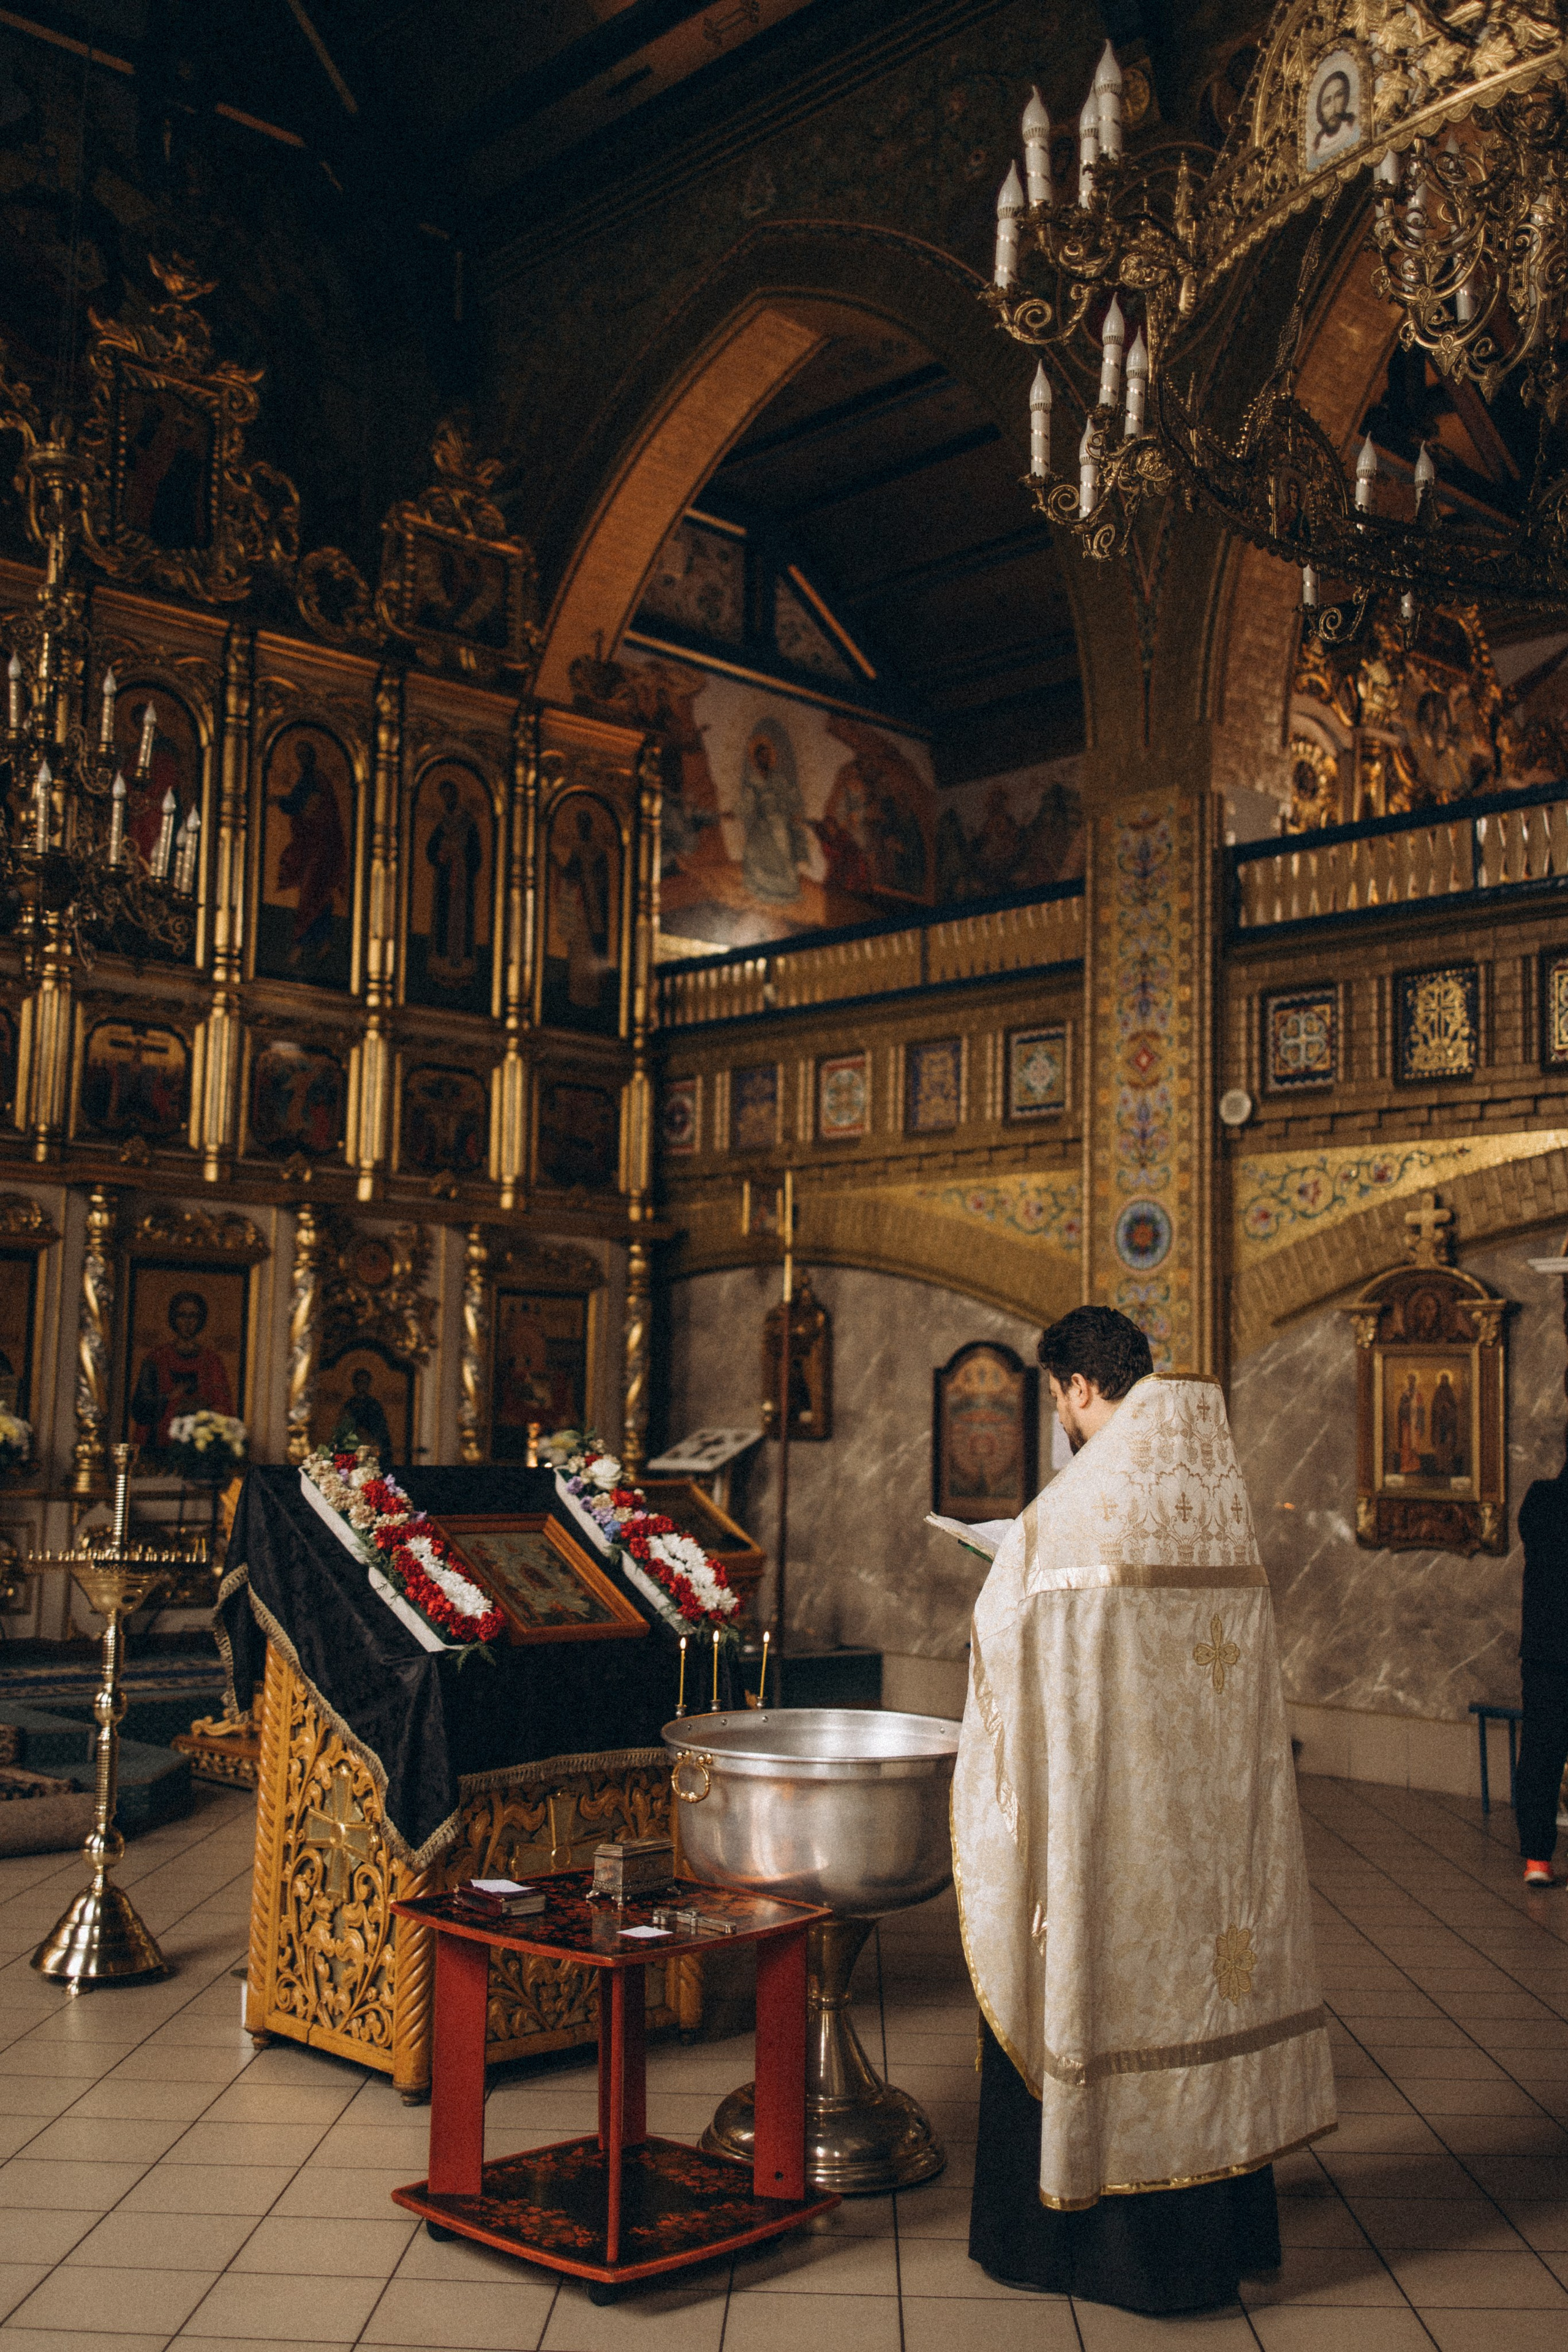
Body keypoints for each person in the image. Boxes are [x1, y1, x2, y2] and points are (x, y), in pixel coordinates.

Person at [955, 1304, 1335, 2314]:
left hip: (1108, 1834)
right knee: (1201, 1992)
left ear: (1078, 1389)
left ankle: (1089, 2252)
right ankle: (1217, 2240)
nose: (1065, 1421)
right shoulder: (1210, 1495)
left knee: (1097, 1987)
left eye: (1059, 1402)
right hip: (1209, 1834)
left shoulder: (1070, 1515)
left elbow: (1002, 1650)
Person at [1516, 1444, 1568, 1889]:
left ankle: (1537, 1858)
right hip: (1550, 1649)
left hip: (1545, 1650)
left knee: (1540, 1755)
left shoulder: (1540, 1501)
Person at [129, 1291, 233, 1457]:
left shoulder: (211, 1361)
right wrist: (168, 1398)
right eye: (182, 1315)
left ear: (201, 1320)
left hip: (199, 1450)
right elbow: (140, 1409)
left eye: (193, 1316)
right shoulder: (156, 1358)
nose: (187, 1322)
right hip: (159, 1446)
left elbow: (224, 1407)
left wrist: (201, 1408)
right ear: (173, 1318)